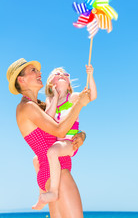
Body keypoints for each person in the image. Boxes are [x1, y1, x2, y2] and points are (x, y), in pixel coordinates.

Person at [6, 58, 91, 218]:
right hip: (58, 173)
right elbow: (59, 131)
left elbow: (66, 127)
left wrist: (81, 135)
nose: (39, 73)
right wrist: (79, 103)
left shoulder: (40, 107)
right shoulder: (26, 107)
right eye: (33, 71)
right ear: (21, 79)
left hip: (50, 174)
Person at [32, 65, 97, 209]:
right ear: (51, 84)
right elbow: (47, 118)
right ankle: (42, 192)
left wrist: (90, 75)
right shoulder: (49, 100)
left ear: (68, 85)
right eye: (57, 74)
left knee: (53, 152)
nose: (61, 74)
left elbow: (92, 96)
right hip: (57, 142)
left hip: (69, 142)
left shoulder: (72, 97)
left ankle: (53, 192)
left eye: (65, 74)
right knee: (36, 160)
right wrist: (54, 97)